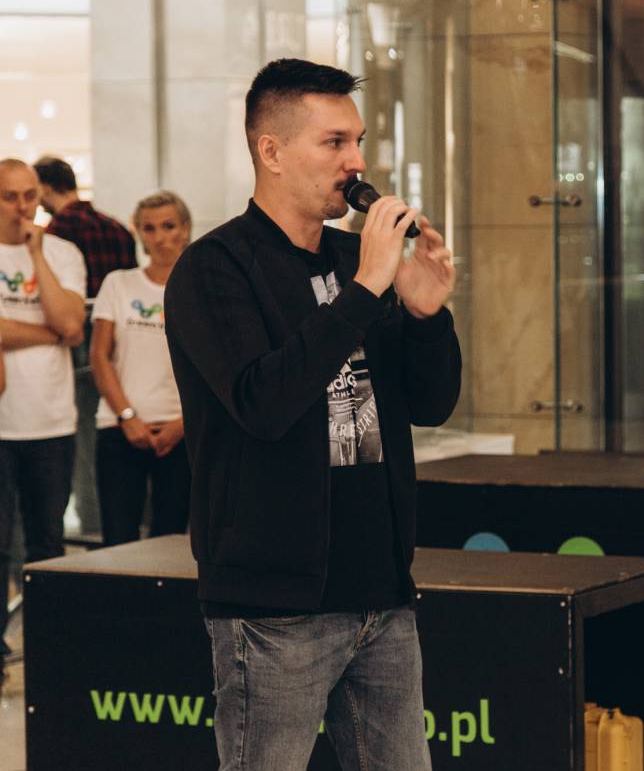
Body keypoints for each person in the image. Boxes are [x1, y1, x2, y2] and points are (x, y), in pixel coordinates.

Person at [164, 58, 461, 770]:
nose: (355, 161)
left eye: (357, 141)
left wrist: (426, 316)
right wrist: (363, 292)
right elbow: (262, 404)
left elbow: (430, 404)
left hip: (381, 593)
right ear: (270, 151)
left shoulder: (360, 258)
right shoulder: (214, 269)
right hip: (272, 607)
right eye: (333, 142)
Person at [0, 159, 87, 659]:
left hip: (50, 422)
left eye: (29, 196)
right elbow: (59, 330)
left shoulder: (61, 252)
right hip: (3, 423)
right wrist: (49, 333)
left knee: (47, 544)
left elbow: (71, 325)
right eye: (10, 196)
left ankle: (50, 646)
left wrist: (36, 253)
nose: (22, 207)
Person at [90, 191, 192, 546]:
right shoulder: (118, 284)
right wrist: (127, 416)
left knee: (170, 540)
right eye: (149, 228)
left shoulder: (201, 288)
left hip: (180, 430)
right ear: (139, 233)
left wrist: (184, 423)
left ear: (185, 229)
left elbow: (215, 367)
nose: (159, 237)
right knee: (118, 539)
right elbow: (99, 355)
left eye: (168, 226)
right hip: (120, 427)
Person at [33, 156, 137, 299]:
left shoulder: (56, 230)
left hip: (75, 310)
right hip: (118, 311)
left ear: (45, 188)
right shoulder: (117, 228)